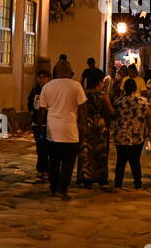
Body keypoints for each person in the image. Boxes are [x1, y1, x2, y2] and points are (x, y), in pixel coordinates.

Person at [37, 60, 87, 200]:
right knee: (68, 162)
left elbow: (42, 110)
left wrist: (40, 126)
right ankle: (62, 189)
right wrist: (83, 124)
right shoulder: (76, 86)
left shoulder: (47, 87)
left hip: (53, 131)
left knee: (53, 161)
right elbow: (83, 107)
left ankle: (53, 186)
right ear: (68, 71)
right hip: (70, 130)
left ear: (56, 71)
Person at [112, 77, 151, 189]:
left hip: (121, 135)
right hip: (137, 135)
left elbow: (114, 116)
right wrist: (150, 130)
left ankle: (118, 183)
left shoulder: (118, 102)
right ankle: (137, 183)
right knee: (135, 161)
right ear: (135, 89)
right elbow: (149, 117)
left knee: (121, 161)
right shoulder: (143, 102)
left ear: (124, 89)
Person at [76, 77, 114, 187]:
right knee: (100, 152)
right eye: (102, 81)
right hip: (99, 124)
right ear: (98, 82)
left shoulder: (84, 94)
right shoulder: (102, 95)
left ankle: (85, 176)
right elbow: (111, 111)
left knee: (86, 151)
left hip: (86, 123)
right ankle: (100, 177)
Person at [26, 69, 52, 181]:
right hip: (36, 123)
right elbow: (30, 101)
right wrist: (31, 112)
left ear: (49, 78)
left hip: (48, 123)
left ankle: (47, 169)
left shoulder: (51, 90)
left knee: (48, 148)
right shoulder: (35, 90)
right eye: (39, 77)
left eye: (44, 77)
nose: (41, 80)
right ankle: (41, 169)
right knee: (40, 147)